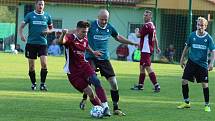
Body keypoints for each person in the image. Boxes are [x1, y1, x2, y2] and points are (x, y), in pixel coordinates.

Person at [80, 9, 139, 116]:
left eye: (105, 20)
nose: (103, 22)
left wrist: (132, 43)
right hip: (91, 57)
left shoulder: (109, 27)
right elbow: (79, 32)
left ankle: (116, 108)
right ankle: (84, 99)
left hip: (104, 59)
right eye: (102, 19)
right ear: (97, 17)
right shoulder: (91, 25)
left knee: (114, 83)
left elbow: (118, 37)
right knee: (91, 79)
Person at [58, 21, 111, 116]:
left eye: (86, 32)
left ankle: (106, 107)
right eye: (83, 32)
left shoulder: (85, 38)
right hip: (73, 73)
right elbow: (61, 41)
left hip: (85, 66)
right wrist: (63, 34)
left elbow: (85, 45)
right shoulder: (70, 38)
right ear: (77, 30)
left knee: (96, 81)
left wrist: (93, 52)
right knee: (90, 93)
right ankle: (101, 110)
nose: (85, 34)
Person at [177, 17, 215, 112]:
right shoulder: (192, 35)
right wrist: (181, 60)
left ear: (205, 26)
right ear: (196, 25)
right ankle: (186, 102)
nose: (200, 27)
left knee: (204, 84)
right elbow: (186, 48)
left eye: (202, 25)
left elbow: (213, 51)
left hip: (202, 64)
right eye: (198, 25)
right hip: (191, 62)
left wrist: (211, 63)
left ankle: (207, 105)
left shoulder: (208, 38)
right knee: (184, 81)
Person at [19, 0, 53, 91]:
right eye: (39, 4)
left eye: (42, 4)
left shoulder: (47, 16)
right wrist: (21, 35)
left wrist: (48, 31)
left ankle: (42, 84)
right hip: (31, 44)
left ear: (44, 6)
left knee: (44, 64)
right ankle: (33, 83)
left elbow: (51, 29)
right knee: (31, 66)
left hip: (43, 44)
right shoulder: (29, 15)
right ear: (36, 5)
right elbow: (21, 26)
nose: (41, 6)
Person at [131, 10, 161, 92]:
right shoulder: (152, 25)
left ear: (150, 17)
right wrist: (157, 47)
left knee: (147, 67)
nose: (144, 16)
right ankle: (140, 85)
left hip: (146, 49)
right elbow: (155, 38)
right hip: (147, 49)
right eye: (144, 15)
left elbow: (138, 35)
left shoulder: (147, 26)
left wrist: (136, 31)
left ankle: (156, 85)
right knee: (142, 66)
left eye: (146, 15)